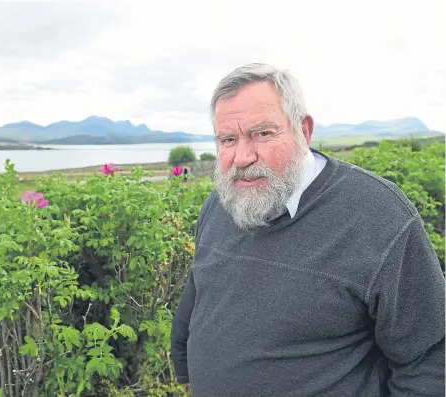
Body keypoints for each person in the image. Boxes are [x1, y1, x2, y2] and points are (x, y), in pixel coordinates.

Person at [170, 63, 445, 397]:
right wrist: (185, 362)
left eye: (262, 133)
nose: (242, 157)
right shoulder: (223, 201)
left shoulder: (378, 217)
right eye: (228, 139)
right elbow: (201, 287)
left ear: (304, 130)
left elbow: (430, 357)